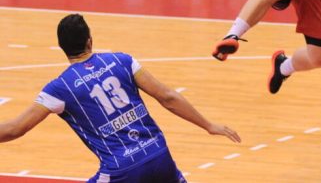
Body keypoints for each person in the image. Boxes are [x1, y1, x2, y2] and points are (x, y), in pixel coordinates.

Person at [0, 14, 240, 182]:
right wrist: (208, 125)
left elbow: (15, 129)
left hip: (121, 170)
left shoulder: (60, 88)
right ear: (90, 41)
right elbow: (167, 97)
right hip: (159, 154)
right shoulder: (123, 61)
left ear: (61, 47)